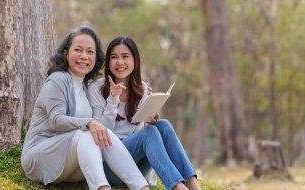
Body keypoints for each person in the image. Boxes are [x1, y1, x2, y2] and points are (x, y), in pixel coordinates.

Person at [21, 26, 149, 190]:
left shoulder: (85, 87)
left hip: (71, 164)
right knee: (90, 132)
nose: (84, 56)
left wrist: (140, 90)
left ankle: (141, 187)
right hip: (40, 158)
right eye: (78, 50)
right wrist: (89, 122)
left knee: (102, 132)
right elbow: (56, 120)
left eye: (90, 52)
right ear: (66, 53)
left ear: (96, 58)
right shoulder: (57, 80)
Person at [88, 36, 202, 190]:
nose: (120, 62)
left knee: (162, 125)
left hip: (135, 167)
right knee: (149, 133)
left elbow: (137, 134)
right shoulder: (96, 88)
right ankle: (177, 187)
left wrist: (148, 120)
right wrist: (112, 99)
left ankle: (193, 184)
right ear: (108, 62)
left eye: (125, 57)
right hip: (109, 165)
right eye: (114, 57)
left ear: (135, 60)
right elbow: (103, 135)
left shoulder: (141, 89)